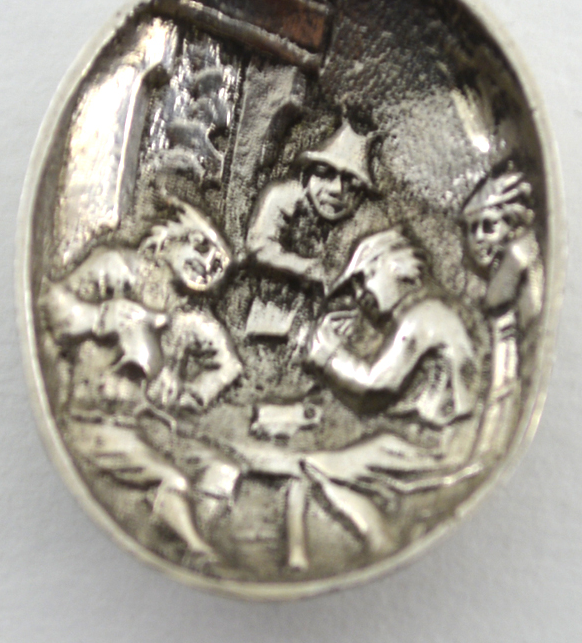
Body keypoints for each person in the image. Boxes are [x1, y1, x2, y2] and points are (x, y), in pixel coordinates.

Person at [41, 199, 242, 561]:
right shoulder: (115, 267)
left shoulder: (190, 317)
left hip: (151, 424)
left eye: (217, 265)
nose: (207, 264)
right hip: (98, 419)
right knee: (171, 479)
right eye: (201, 246)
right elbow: (52, 301)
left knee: (222, 470)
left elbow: (228, 366)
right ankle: (193, 547)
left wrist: (191, 394)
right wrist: (99, 317)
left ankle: (192, 543)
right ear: (167, 239)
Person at [306, 228, 477, 428]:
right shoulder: (425, 312)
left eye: (366, 277)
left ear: (395, 266)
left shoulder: (424, 315)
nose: (360, 295)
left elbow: (374, 390)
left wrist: (328, 353)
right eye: (355, 288)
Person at [244, 120, 375, 341]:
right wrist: (311, 269)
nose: (337, 189)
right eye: (325, 173)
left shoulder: (362, 220)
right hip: (276, 313)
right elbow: (259, 246)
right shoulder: (284, 195)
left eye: (351, 182)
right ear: (307, 174)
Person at [461, 168, 544, 461]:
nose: (477, 238)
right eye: (471, 228)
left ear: (511, 225)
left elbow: (529, 326)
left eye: (488, 226)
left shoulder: (519, 261)